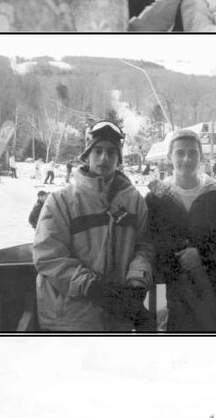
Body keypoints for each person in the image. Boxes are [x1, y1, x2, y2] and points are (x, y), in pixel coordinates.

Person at [33, 120, 152, 332]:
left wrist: (136, 283)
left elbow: (143, 247)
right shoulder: (60, 201)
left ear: (119, 159)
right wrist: (92, 287)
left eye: (111, 152)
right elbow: (48, 256)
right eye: (97, 151)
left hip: (117, 317)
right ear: (87, 155)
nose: (104, 158)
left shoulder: (135, 201)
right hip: (71, 319)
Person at [146, 128, 216, 331]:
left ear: (201, 157)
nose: (186, 158)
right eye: (180, 153)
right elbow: (150, 248)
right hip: (173, 296)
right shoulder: (156, 197)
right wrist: (159, 306)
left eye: (193, 153)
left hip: (213, 293)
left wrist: (202, 254)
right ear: (168, 157)